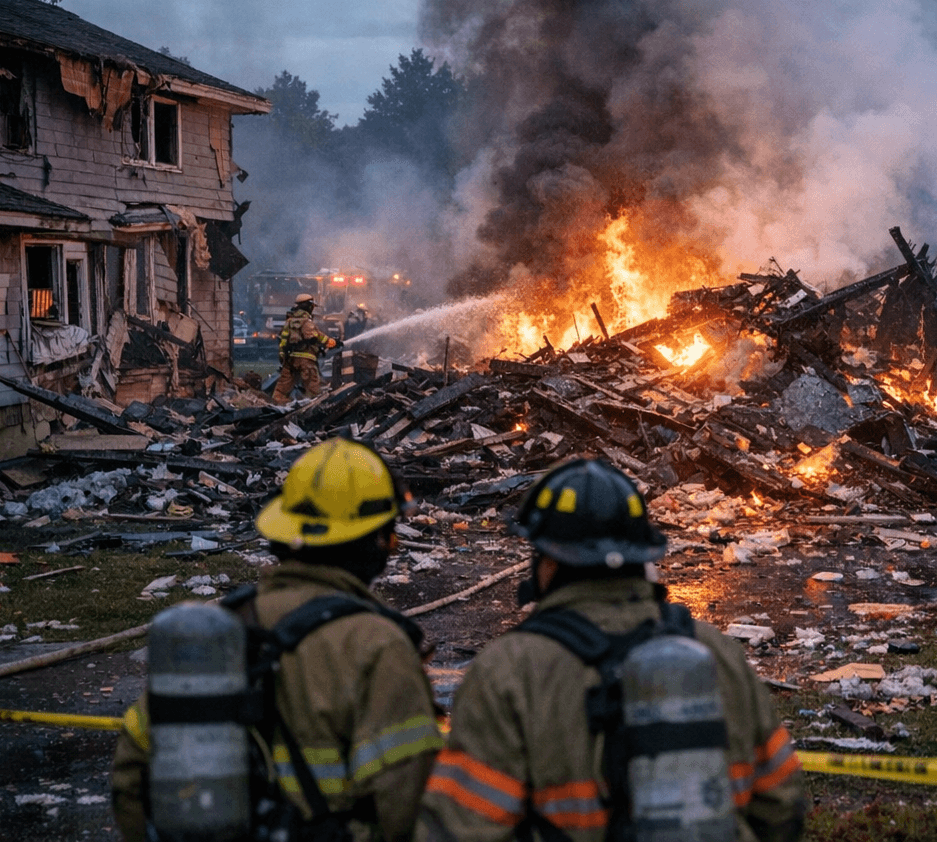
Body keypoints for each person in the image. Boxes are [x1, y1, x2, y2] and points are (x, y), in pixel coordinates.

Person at [419, 459, 806, 842]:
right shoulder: (716, 652)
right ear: (642, 555)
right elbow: (781, 803)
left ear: (549, 560)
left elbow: (459, 826)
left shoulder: (511, 670)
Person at [111, 439, 443, 842]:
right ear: (376, 542)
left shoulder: (217, 631)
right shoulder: (377, 646)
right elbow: (405, 807)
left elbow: (132, 776)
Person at [275, 292, 338, 402]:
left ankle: (280, 408)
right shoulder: (307, 322)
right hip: (306, 361)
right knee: (314, 392)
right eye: (312, 306)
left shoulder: (289, 321)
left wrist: (282, 355)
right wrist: (331, 342)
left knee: (281, 391)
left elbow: (283, 340)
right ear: (308, 306)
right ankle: (313, 411)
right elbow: (315, 337)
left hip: (290, 360)